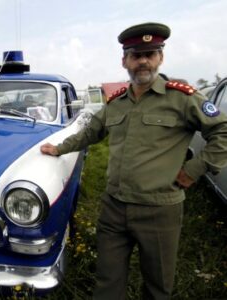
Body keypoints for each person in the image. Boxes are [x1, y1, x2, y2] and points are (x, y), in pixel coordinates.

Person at [40, 22, 227, 299]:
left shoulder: (182, 98)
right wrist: (59, 148)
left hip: (159, 209)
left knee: (157, 285)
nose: (143, 61)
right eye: (136, 55)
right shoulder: (116, 102)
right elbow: (91, 131)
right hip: (114, 207)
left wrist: (193, 170)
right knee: (107, 283)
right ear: (125, 60)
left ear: (160, 57)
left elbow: (222, 131)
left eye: (150, 54)